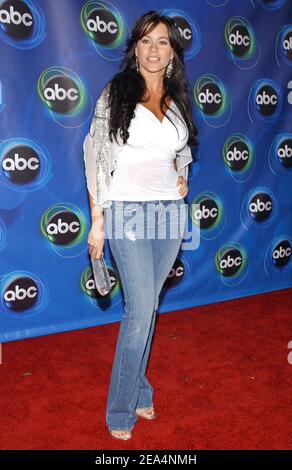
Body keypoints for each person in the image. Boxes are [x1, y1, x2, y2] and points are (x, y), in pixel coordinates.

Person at [83, 10, 198, 441]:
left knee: (148, 310)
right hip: (127, 212)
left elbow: (180, 149)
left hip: (169, 214)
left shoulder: (178, 98)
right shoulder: (116, 93)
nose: (154, 49)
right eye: (146, 41)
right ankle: (119, 412)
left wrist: (180, 173)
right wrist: (97, 222)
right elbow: (95, 158)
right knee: (137, 314)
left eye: (163, 42)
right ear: (135, 49)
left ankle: (141, 387)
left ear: (172, 53)